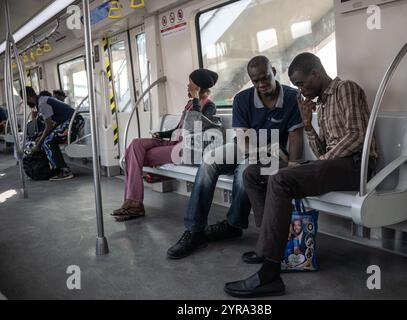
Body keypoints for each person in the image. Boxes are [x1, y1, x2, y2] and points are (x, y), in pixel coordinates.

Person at [224, 52, 378, 298]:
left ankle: (270, 273)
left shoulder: (345, 89)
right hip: (333, 165)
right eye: (297, 86)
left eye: (301, 84)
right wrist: (307, 124)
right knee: (254, 172)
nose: (301, 91)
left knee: (281, 179)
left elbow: (357, 136)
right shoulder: (322, 104)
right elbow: (322, 150)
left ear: (315, 74)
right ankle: (268, 247)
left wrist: (319, 162)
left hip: (355, 166)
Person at [167, 56, 303, 259]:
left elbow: (295, 136)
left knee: (244, 171)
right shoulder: (242, 99)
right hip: (246, 145)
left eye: (265, 78)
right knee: (209, 162)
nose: (262, 84)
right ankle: (195, 230)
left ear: (273, 71)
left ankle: (233, 224)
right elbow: (242, 142)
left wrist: (293, 165)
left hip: (274, 149)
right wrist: (255, 152)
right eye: (256, 81)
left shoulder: (292, 97)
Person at [111, 68, 219, 222]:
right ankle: (132, 202)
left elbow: (196, 125)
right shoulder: (189, 104)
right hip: (173, 141)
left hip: (185, 148)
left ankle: (133, 203)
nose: (187, 86)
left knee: (134, 155)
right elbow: (178, 129)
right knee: (135, 145)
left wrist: (195, 100)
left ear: (198, 87)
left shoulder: (209, 106)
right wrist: (161, 135)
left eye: (190, 83)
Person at [21, 86, 84, 181]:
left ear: (27, 98)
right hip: (69, 122)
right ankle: (56, 168)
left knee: (47, 142)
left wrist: (38, 145)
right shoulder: (42, 101)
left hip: (74, 121)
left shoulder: (43, 104)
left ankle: (64, 171)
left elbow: (49, 126)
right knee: (43, 138)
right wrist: (41, 135)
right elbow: (53, 124)